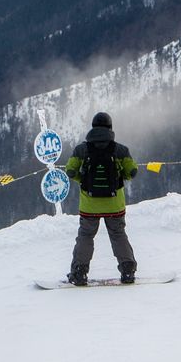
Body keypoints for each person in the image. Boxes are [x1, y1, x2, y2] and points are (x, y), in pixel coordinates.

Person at [65, 111, 139, 285]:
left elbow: (70, 170)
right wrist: (120, 177)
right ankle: (127, 270)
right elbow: (132, 172)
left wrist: (83, 181)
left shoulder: (81, 149)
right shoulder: (120, 150)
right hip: (115, 205)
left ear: (93, 127)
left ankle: (79, 273)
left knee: (85, 236)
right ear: (110, 128)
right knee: (118, 234)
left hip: (89, 205)